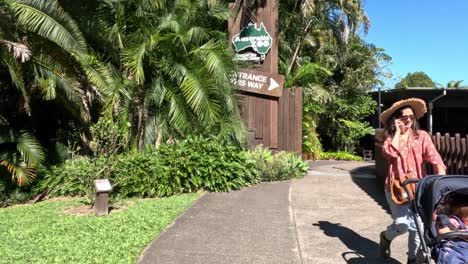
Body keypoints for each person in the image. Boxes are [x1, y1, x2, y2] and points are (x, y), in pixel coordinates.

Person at [378, 98, 447, 264]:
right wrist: (396, 132)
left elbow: (435, 159)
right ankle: (386, 236)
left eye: (411, 116)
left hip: (418, 187)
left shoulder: (421, 136)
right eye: (403, 116)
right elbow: (390, 154)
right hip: (396, 187)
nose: (408, 119)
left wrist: (441, 180)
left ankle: (411, 259)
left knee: (418, 228)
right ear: (396, 119)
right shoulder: (389, 138)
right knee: (402, 225)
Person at [435, 192, 468, 264]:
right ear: (459, 215)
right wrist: (460, 233)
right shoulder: (454, 221)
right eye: (467, 217)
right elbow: (442, 232)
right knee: (452, 259)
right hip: (455, 246)